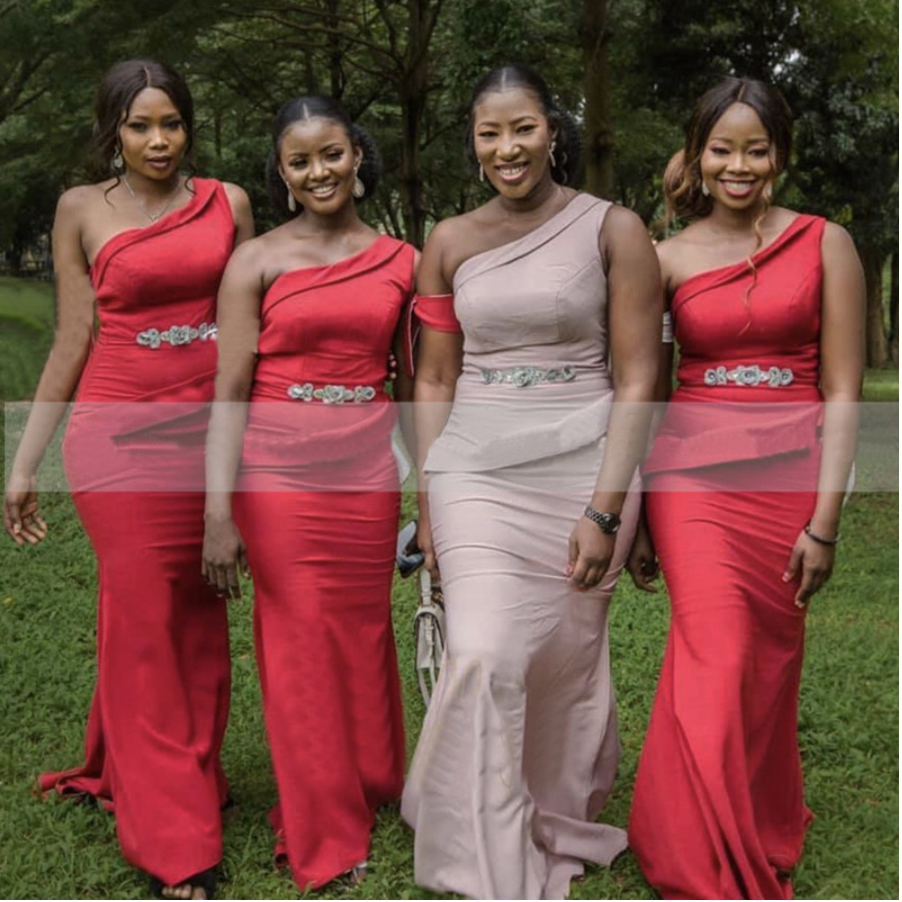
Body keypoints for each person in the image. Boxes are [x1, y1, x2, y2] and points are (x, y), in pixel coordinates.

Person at [400, 64, 662, 899]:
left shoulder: (613, 229)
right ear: (473, 143)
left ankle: (551, 808)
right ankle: (479, 833)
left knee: (563, 657)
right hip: (474, 466)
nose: (507, 148)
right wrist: (429, 500)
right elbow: (434, 379)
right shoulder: (447, 240)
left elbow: (637, 378)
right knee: (484, 651)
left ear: (554, 129)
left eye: (523, 128)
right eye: (490, 133)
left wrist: (606, 508)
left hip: (583, 464)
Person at [2, 60, 253, 898]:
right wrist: (25, 461)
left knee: (197, 617)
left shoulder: (229, 204)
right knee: (147, 627)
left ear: (189, 125)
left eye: (171, 123)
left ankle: (177, 769)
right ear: (111, 128)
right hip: (118, 440)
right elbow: (72, 339)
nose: (157, 140)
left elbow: (252, 331)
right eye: (139, 125)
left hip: (209, 437)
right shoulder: (80, 209)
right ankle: (174, 841)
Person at [626, 77, 864, 899]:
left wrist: (826, 522)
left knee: (769, 666)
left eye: (755, 149)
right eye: (721, 149)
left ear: (781, 156)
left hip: (789, 486)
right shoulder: (665, 257)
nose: (738, 165)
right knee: (715, 654)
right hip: (693, 485)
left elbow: (843, 391)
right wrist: (640, 518)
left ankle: (760, 816)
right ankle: (692, 853)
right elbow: (648, 393)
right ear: (696, 156)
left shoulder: (825, 242)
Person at [201, 95, 415, 891]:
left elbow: (412, 388)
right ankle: (322, 826)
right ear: (283, 175)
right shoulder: (254, 261)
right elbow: (228, 390)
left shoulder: (402, 258)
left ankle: (370, 778)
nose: (319, 171)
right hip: (277, 476)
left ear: (358, 156)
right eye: (301, 162)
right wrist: (218, 512)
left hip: (365, 475)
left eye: (332, 154)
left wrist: (435, 492)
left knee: (361, 633)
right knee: (298, 648)